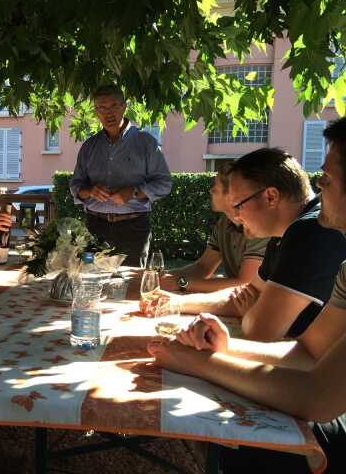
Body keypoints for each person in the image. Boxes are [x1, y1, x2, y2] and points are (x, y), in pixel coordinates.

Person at [149, 117, 346, 474]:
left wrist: (197, 362)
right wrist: (224, 348)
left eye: (327, 180)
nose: (319, 187)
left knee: (255, 438)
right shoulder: (308, 243)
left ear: (271, 196)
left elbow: (316, 396)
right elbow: (308, 350)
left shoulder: (310, 233)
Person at [156, 148, 346, 341]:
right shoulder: (283, 232)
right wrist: (176, 302)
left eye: (238, 205)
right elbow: (245, 294)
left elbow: (259, 332)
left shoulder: (309, 230)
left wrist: (251, 310)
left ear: (271, 196)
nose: (236, 216)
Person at [69, 84, 172, 266]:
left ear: (124, 106)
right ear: (96, 112)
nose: (108, 113)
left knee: (131, 288)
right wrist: (91, 191)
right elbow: (76, 185)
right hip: (95, 227)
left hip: (133, 229)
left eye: (113, 106)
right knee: (91, 284)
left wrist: (132, 192)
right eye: (101, 108)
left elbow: (164, 184)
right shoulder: (89, 146)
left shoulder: (146, 142)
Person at [160, 164, 269, 293]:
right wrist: (164, 276)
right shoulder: (224, 223)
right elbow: (203, 267)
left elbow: (245, 283)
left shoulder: (259, 228)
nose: (211, 190)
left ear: (231, 194)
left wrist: (181, 283)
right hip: (237, 302)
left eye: (216, 186)